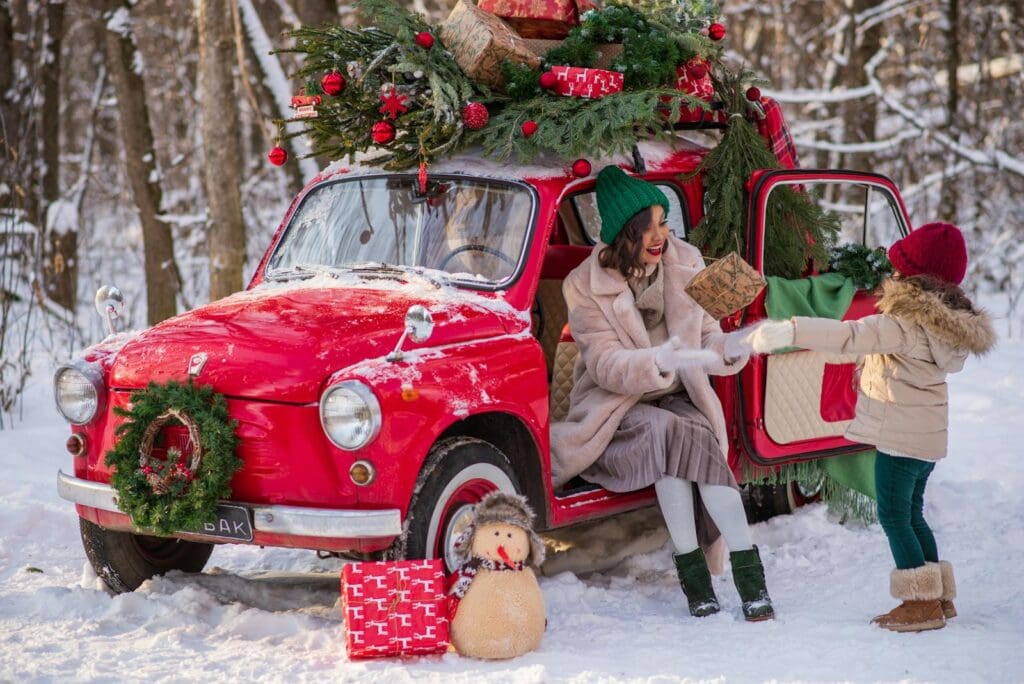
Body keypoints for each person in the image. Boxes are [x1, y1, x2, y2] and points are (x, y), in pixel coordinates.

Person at [550, 165, 774, 621]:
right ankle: (726, 584)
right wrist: (658, 361)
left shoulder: (685, 262)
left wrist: (729, 347)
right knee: (667, 435)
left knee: (687, 436)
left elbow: (708, 336)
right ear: (622, 234)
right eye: (647, 226)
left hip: (676, 400)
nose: (660, 235)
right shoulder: (584, 285)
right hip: (617, 411)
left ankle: (728, 580)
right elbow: (606, 364)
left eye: (663, 221)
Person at [748, 222, 995, 632]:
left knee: (895, 516)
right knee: (912, 514)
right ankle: (938, 597)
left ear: (914, 278)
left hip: (900, 439)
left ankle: (919, 605)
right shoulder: (945, 326)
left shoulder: (902, 323)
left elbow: (847, 336)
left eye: (898, 269)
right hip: (928, 438)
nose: (891, 274)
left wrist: (790, 329)